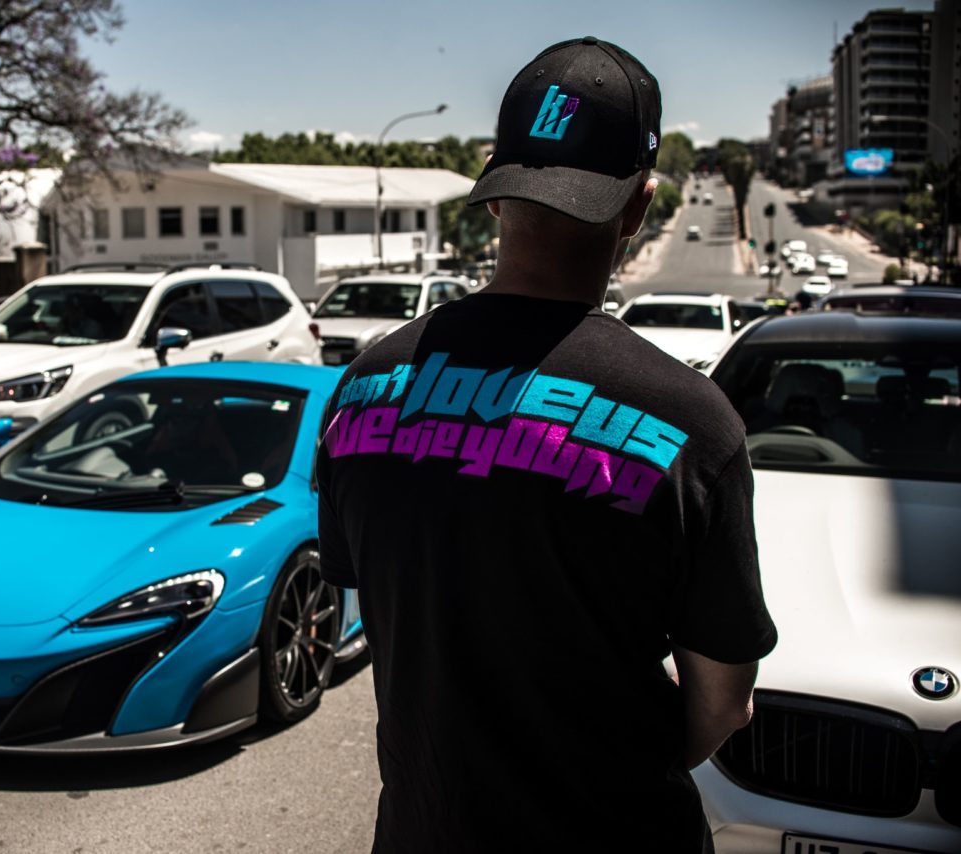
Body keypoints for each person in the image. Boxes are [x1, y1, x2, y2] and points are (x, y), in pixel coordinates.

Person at [316, 37, 776, 853]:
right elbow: (724, 703)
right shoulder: (693, 424)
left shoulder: (362, 388)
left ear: (496, 196)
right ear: (638, 209)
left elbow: (390, 605)